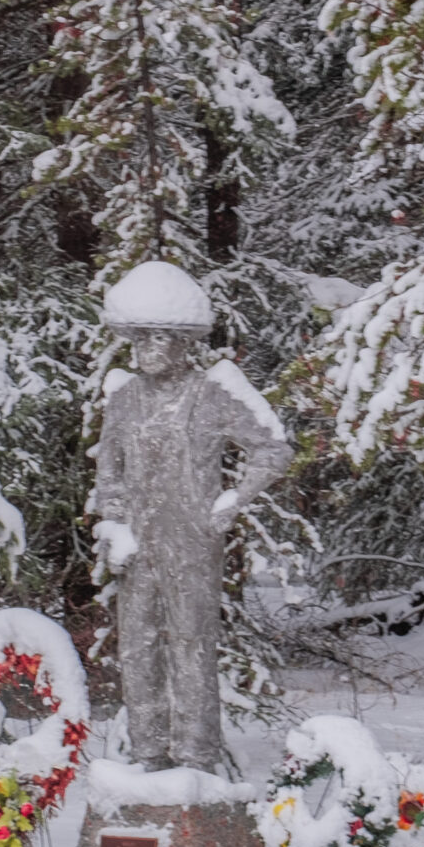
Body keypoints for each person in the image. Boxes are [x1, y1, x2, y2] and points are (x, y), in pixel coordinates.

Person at [92, 261, 291, 772]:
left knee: (191, 645)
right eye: (139, 339)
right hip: (137, 547)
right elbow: (109, 470)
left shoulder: (213, 392)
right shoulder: (124, 397)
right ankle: (148, 754)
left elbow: (272, 448)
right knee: (137, 649)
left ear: (182, 344)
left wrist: (230, 502)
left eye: (158, 338)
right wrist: (113, 525)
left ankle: (195, 758)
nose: (146, 349)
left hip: (192, 542)